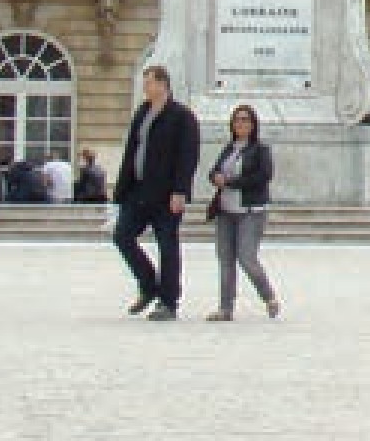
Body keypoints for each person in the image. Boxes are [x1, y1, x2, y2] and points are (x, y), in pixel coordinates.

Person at [113, 65, 200, 321]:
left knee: (167, 246)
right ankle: (149, 285)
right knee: (122, 236)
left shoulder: (182, 116)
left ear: (163, 84)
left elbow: (188, 156)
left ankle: (168, 301)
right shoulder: (142, 113)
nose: (145, 88)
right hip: (138, 191)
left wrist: (181, 190)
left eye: (149, 82)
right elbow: (131, 153)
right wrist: (121, 190)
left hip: (166, 194)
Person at [205, 104, 280, 322]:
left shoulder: (260, 149)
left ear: (254, 124)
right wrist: (215, 177)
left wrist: (231, 182)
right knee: (225, 259)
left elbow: (263, 176)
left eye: (245, 119)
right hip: (226, 210)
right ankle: (225, 307)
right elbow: (215, 169)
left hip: (251, 210)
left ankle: (269, 296)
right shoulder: (230, 148)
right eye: (237, 119)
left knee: (247, 257)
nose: (241, 123)